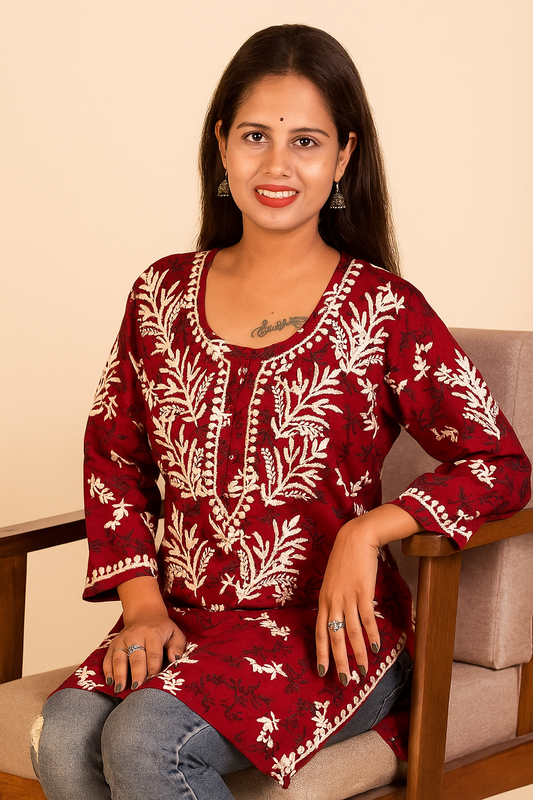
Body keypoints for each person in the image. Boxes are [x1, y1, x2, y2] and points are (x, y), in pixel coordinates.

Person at [32, 23, 530, 800]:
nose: (276, 165)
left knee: (146, 739)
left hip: (327, 637)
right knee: (65, 739)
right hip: (184, 618)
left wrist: (370, 530)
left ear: (343, 157)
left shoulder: (382, 310)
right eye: (255, 135)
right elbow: (114, 457)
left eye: (305, 141)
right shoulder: (160, 294)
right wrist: (141, 605)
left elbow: (499, 465)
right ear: (221, 145)